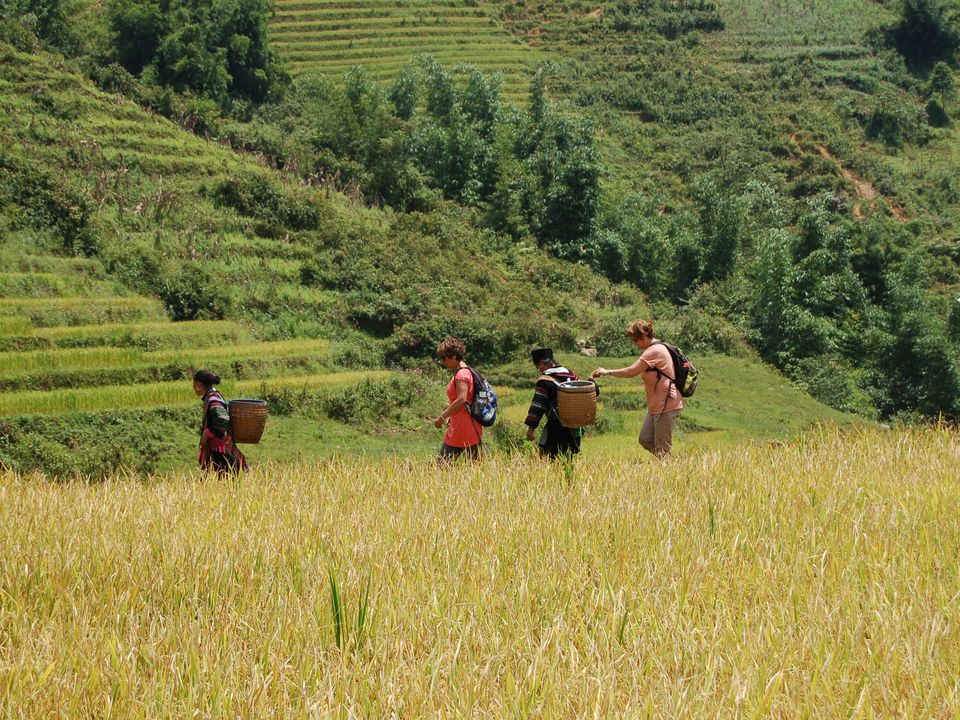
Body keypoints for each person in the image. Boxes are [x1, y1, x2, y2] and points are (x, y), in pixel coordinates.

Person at [591, 320, 683, 458]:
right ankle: (668, 461)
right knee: (645, 439)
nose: (635, 344)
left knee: (662, 449)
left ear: (645, 336)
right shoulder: (654, 349)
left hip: (666, 405)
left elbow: (631, 372)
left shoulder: (655, 350)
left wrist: (607, 372)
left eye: (636, 340)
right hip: (656, 406)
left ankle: (669, 467)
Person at [524, 347, 597, 459]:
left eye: (538, 366)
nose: (539, 370)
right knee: (571, 459)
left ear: (542, 363)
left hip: (556, 425)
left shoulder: (544, 380)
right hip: (575, 425)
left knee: (551, 459)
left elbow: (538, 405)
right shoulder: (571, 374)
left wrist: (531, 428)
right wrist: (591, 379)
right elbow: (584, 391)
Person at [434, 337, 483, 461]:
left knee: (442, 466)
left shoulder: (462, 374)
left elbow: (462, 399)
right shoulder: (463, 371)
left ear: (454, 356)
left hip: (464, 427)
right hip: (462, 426)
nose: (443, 361)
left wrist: (442, 417)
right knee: (474, 467)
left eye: (444, 358)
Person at [193, 369, 248, 475]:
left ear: (198, 385)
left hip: (221, 454)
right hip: (220, 453)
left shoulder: (213, 399)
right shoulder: (212, 397)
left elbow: (222, 420)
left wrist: (206, 433)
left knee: (224, 488)